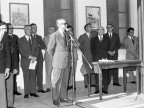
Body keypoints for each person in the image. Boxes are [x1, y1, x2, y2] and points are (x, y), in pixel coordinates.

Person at [48, 18, 71, 106]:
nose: (65, 25)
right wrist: (56, 57)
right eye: (63, 24)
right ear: (58, 25)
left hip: (66, 60)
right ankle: (55, 99)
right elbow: (49, 49)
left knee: (65, 80)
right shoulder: (54, 35)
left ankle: (63, 97)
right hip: (58, 61)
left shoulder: (67, 34)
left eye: (65, 23)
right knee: (56, 81)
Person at [18, 25, 39, 98]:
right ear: (25, 30)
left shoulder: (34, 39)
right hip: (25, 61)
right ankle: (26, 93)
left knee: (33, 76)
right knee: (26, 77)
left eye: (31, 29)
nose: (30, 31)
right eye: (28, 29)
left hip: (33, 61)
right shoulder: (20, 40)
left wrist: (35, 57)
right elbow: (21, 51)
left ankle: (33, 92)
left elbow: (37, 50)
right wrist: (30, 57)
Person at [91, 26, 110, 94]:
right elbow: (92, 49)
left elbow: (108, 48)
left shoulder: (107, 39)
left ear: (104, 31)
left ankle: (105, 89)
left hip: (105, 59)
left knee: (105, 74)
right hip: (96, 58)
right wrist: (96, 55)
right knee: (97, 74)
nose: (101, 31)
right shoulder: (93, 39)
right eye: (99, 29)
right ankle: (97, 89)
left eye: (102, 29)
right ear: (97, 31)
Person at [6, 23, 20, 108]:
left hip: (10, 67)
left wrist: (15, 67)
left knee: (10, 88)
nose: (10, 29)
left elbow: (15, 54)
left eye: (11, 28)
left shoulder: (13, 38)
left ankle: (10, 105)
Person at [78, 23, 95, 88]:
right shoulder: (82, 36)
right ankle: (86, 83)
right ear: (86, 28)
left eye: (91, 27)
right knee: (86, 69)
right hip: (86, 55)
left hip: (93, 55)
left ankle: (93, 83)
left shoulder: (94, 35)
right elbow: (79, 45)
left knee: (93, 69)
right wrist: (84, 48)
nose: (91, 28)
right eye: (90, 27)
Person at [6, 23, 22, 96]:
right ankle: (9, 91)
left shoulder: (15, 37)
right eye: (10, 28)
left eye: (12, 28)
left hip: (15, 58)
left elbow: (19, 46)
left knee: (14, 75)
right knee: (8, 76)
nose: (11, 29)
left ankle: (14, 90)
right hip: (8, 59)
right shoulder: (5, 37)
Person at [30, 23, 46, 93]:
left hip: (39, 58)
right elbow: (29, 48)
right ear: (30, 29)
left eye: (36, 27)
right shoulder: (28, 37)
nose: (35, 29)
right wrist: (37, 45)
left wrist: (37, 46)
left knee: (40, 73)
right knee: (32, 74)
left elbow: (43, 46)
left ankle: (40, 88)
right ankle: (32, 90)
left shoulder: (39, 37)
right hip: (32, 59)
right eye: (33, 28)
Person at [0, 22, 11, 108]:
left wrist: (7, 68)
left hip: (1, 67)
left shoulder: (5, 36)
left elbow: (7, 53)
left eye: (5, 29)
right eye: (1, 29)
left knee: (2, 90)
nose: (4, 31)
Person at [43, 26, 55, 92]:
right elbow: (49, 46)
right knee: (48, 72)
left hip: (57, 56)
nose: (52, 31)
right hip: (49, 57)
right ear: (48, 30)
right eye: (50, 29)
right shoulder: (45, 38)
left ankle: (56, 86)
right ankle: (48, 86)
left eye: (53, 29)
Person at [66, 25, 78, 90]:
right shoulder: (64, 38)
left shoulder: (74, 37)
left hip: (74, 56)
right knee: (67, 71)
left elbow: (78, 45)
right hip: (67, 57)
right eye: (68, 30)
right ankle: (67, 85)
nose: (70, 32)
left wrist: (72, 43)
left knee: (73, 71)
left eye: (71, 30)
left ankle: (72, 84)